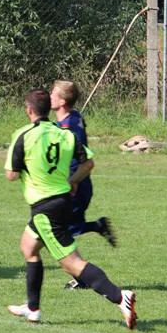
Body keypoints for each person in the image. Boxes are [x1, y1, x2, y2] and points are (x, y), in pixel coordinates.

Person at [4, 89, 137, 329]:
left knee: (72, 264)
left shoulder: (23, 135)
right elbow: (89, 163)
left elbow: (11, 175)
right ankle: (32, 308)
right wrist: (73, 180)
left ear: (29, 110)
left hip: (45, 208)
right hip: (62, 201)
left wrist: (28, 167)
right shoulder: (65, 134)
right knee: (28, 246)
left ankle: (120, 296)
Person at [50, 80, 116, 291]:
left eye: (53, 93)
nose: (50, 96)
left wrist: (72, 181)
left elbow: (84, 160)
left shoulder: (68, 126)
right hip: (75, 182)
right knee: (65, 229)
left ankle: (81, 276)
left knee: (61, 231)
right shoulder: (74, 116)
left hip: (75, 184)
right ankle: (97, 227)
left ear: (62, 101)